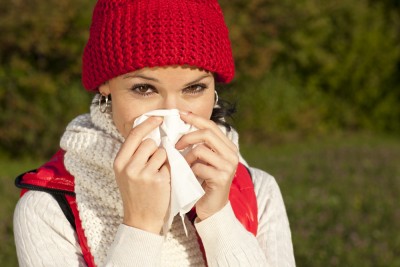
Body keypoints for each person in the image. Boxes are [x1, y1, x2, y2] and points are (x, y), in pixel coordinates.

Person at [13, 0, 296, 266]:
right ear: (106, 86)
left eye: (194, 88)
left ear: (214, 89)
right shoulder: (49, 207)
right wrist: (140, 227)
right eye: (144, 89)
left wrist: (218, 218)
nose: (171, 112)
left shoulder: (257, 190)